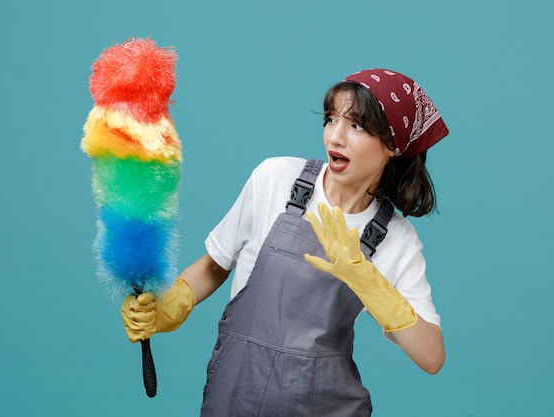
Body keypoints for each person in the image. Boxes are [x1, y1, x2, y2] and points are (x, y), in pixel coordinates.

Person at [121, 68, 449, 416]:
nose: (335, 137)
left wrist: (369, 283)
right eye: (331, 118)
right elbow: (216, 264)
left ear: (392, 145)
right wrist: (172, 304)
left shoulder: (395, 239)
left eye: (356, 126)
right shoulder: (275, 178)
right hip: (234, 398)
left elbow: (431, 357)